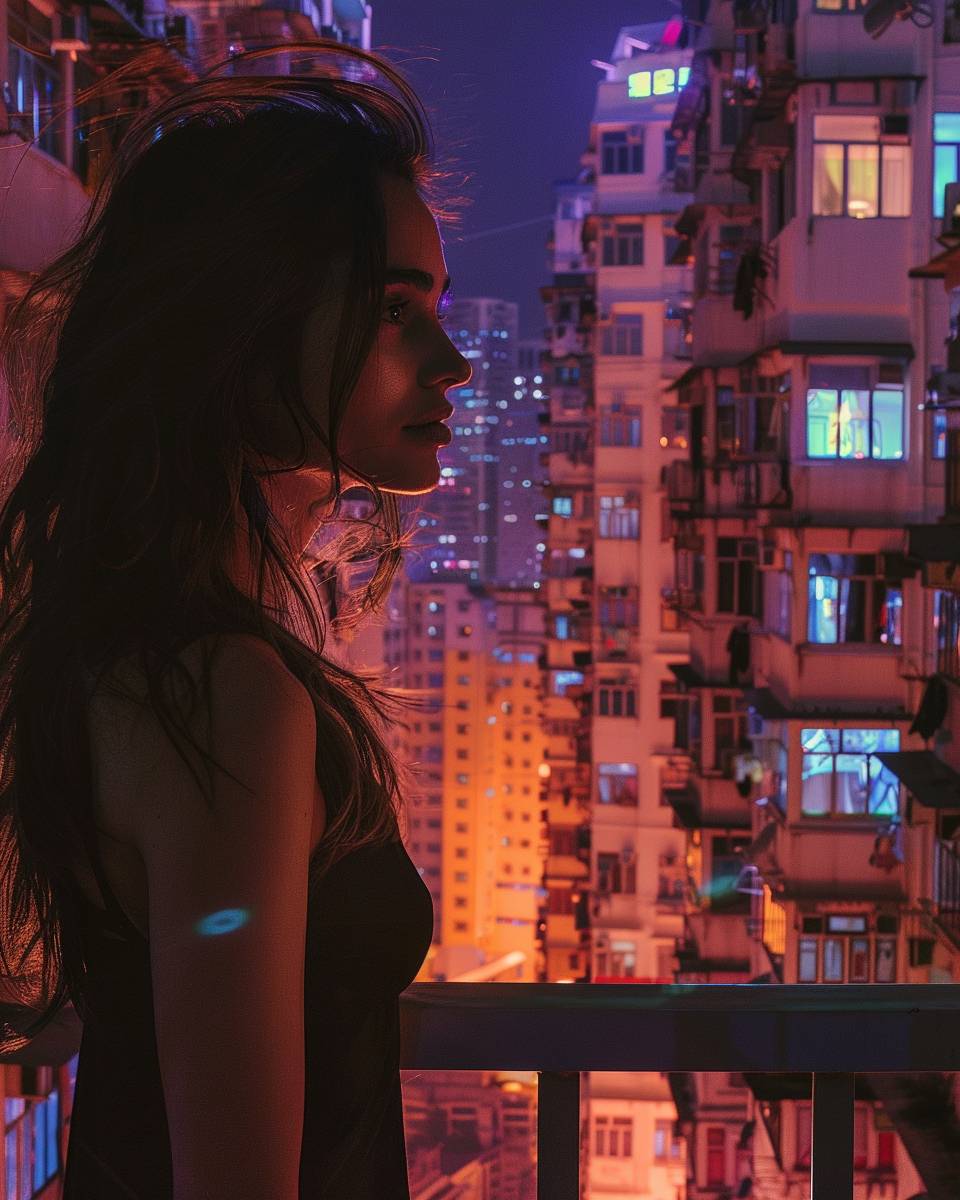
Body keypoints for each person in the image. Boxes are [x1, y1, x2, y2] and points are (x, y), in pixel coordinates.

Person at [0, 39, 471, 1199]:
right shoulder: (224, 693)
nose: (451, 361)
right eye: (394, 311)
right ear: (246, 321)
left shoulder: (172, 654)